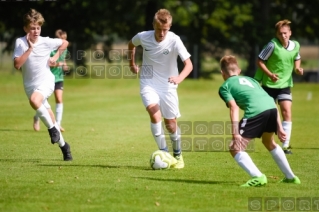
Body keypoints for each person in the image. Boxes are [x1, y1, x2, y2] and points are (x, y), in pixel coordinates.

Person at [218, 55, 300, 187]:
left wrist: (235, 133)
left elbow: (234, 108)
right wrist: (279, 126)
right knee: (269, 141)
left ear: (222, 73)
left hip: (256, 112)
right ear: (239, 71)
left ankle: (258, 177)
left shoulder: (225, 87)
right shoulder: (252, 80)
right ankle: (291, 177)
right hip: (272, 109)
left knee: (235, 148)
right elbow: (269, 100)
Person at [128, 9, 193, 169]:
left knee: (170, 124)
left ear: (169, 27)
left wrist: (179, 78)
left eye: (165, 29)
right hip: (148, 82)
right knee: (153, 112)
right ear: (153, 25)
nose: (162, 33)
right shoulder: (143, 36)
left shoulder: (175, 40)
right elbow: (131, 44)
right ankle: (164, 152)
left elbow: (189, 65)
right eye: (158, 29)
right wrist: (131, 63)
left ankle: (178, 155)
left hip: (168, 86)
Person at [13, 8, 72, 161]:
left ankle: (52, 130)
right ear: (25, 28)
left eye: (38, 28)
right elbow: (17, 65)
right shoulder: (20, 42)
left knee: (34, 101)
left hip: (47, 81)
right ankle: (65, 147)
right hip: (30, 86)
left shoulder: (46, 41)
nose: (36, 31)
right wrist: (29, 49)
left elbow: (65, 42)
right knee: (50, 116)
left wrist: (57, 56)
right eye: (32, 28)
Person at [254, 19, 303, 154]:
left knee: (286, 111)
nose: (283, 36)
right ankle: (267, 138)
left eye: (285, 33)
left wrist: (298, 68)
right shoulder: (272, 45)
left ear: (290, 33)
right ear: (277, 34)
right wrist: (270, 74)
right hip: (269, 85)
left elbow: (296, 57)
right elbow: (260, 60)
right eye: (280, 33)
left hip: (285, 85)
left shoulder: (295, 45)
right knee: (272, 114)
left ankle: (285, 145)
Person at [33, 29, 69, 132]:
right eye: (62, 40)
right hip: (47, 79)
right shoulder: (50, 50)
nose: (63, 42)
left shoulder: (64, 49)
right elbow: (49, 64)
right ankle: (36, 118)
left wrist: (65, 64)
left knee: (59, 99)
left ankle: (58, 123)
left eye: (65, 40)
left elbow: (63, 59)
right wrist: (59, 64)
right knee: (43, 101)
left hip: (58, 78)